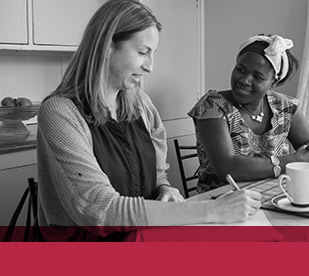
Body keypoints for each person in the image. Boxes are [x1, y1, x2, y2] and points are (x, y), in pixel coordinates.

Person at [37, 0, 261, 241]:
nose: (150, 66)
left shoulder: (142, 105)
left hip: (142, 239)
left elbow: (158, 175)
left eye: (153, 54)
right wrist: (212, 210)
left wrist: (165, 188)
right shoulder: (60, 112)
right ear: (106, 45)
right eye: (143, 52)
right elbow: (98, 210)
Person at [188, 34, 309, 193]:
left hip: (275, 196)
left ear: (273, 82)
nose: (244, 80)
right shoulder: (212, 106)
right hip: (221, 204)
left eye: (257, 77)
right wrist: (292, 161)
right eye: (240, 69)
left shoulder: (284, 106)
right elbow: (228, 168)